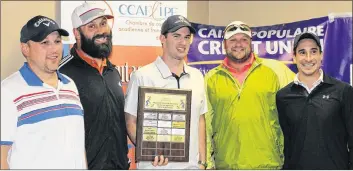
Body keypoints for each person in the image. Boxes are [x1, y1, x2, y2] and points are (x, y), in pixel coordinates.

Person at [204, 21, 295, 169]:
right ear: (225, 44)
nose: (238, 44)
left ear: (251, 43)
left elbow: (299, 107)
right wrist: (207, 162)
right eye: (233, 40)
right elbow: (205, 124)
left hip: (269, 164)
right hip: (227, 164)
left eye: (244, 39)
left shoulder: (276, 70)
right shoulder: (211, 78)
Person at [0, 15, 86, 169]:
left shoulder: (70, 85)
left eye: (57, 41)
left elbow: (78, 146)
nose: (54, 49)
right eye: (45, 43)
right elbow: (2, 154)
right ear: (25, 48)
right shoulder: (8, 91)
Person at [124, 15, 207, 169]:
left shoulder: (197, 77)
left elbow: (200, 119)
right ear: (162, 38)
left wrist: (202, 162)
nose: (183, 42)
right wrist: (150, 151)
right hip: (156, 167)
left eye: (187, 37)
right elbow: (130, 122)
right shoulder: (142, 76)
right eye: (176, 36)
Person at [58, 2, 129, 170]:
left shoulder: (112, 72)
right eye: (92, 26)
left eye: (103, 23)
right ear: (77, 33)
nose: (101, 31)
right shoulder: (62, 74)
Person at [276, 32, 353, 169]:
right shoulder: (283, 96)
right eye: (302, 52)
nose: (308, 58)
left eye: (313, 51)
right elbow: (287, 141)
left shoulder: (343, 91)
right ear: (294, 57)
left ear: (321, 55)